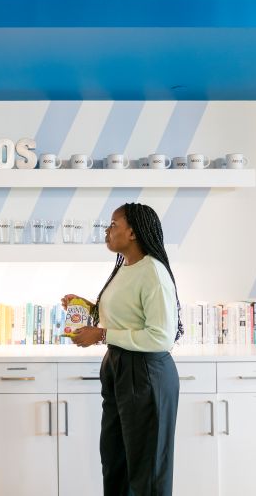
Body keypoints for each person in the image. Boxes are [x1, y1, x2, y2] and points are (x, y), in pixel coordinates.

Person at [61, 202, 182, 496]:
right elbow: (126, 315)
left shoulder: (153, 272)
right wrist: (86, 307)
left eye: (113, 224)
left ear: (132, 233)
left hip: (145, 374)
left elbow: (161, 337)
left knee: (147, 471)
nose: (107, 230)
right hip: (119, 368)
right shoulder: (125, 268)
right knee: (116, 463)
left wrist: (102, 334)